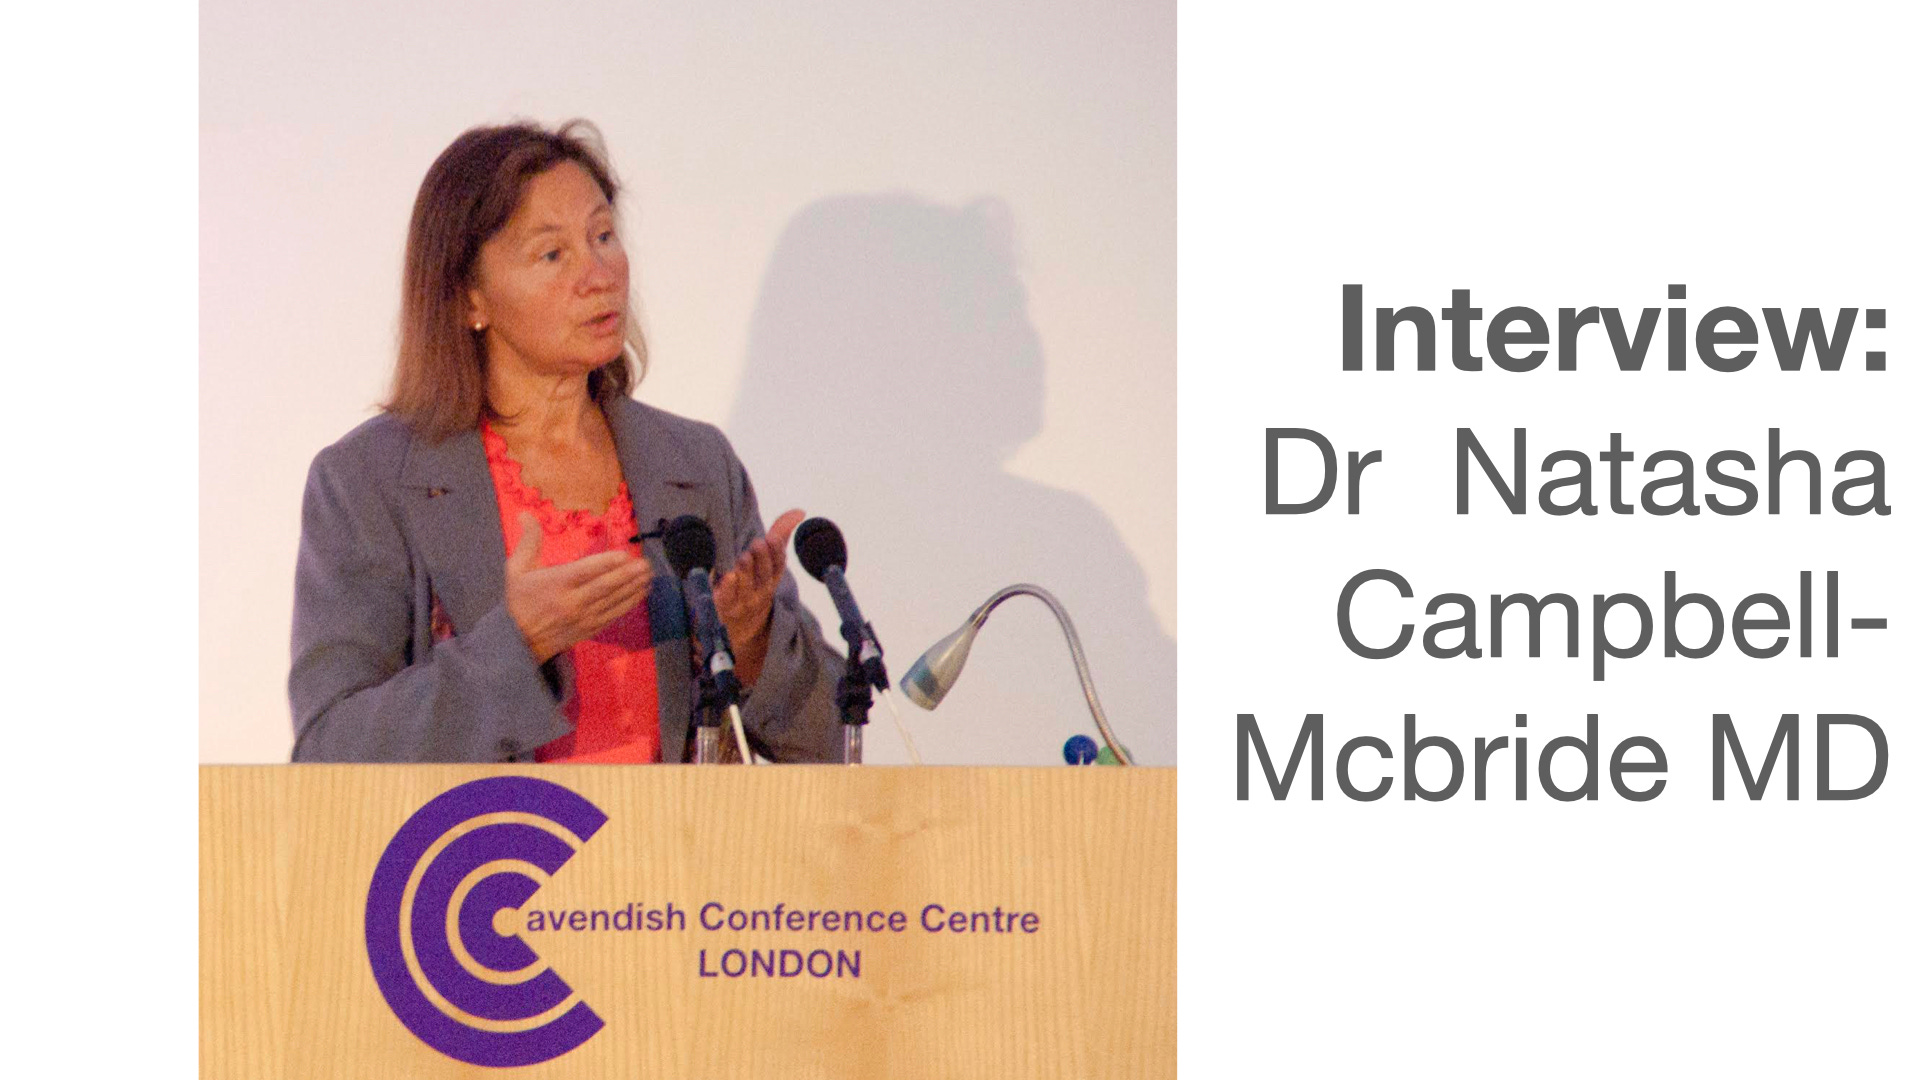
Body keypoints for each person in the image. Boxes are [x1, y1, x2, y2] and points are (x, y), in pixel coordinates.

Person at [289, 120, 841, 763]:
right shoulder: (369, 480)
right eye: (553, 254)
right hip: (490, 834)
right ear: (470, 298)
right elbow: (330, 750)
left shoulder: (695, 463)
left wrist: (751, 643)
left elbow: (832, 738)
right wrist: (516, 644)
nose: (599, 274)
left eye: (603, 237)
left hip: (680, 834)